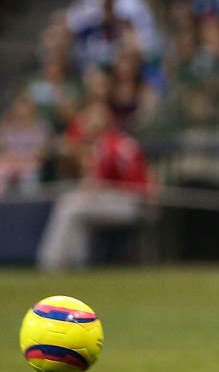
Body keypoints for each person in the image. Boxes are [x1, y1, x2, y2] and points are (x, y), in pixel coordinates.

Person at [37, 101, 155, 272]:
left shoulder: (109, 143)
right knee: (76, 209)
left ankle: (50, 262)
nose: (86, 122)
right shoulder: (115, 140)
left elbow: (95, 185)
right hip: (128, 198)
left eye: (90, 118)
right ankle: (78, 262)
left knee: (70, 206)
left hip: (130, 202)